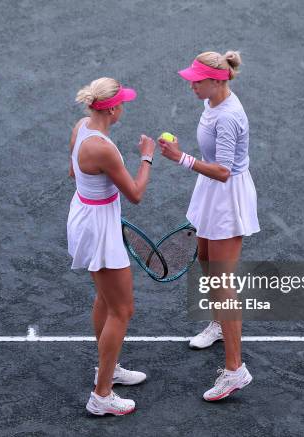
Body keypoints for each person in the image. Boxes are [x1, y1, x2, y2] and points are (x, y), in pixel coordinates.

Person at [158, 51, 260, 401]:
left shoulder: (228, 117)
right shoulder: (212, 102)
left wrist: (180, 158)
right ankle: (219, 324)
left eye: (196, 80)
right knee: (204, 260)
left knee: (222, 282)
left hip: (227, 197)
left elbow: (224, 171)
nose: (191, 85)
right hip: (211, 192)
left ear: (217, 81)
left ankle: (235, 370)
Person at [67, 77, 156, 415]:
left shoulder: (81, 128)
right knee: (123, 309)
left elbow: (75, 175)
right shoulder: (103, 147)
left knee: (105, 299)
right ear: (114, 109)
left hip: (86, 214)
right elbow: (135, 194)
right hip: (98, 226)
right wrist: (146, 158)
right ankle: (101, 395)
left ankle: (109, 368)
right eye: (124, 103)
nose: (125, 107)